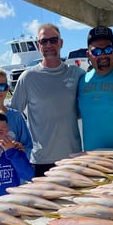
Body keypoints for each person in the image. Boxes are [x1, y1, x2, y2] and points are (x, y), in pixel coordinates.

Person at [10, 23, 85, 177]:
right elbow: (12, 112)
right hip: (41, 161)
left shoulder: (77, 73)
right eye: (44, 41)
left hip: (73, 158)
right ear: (39, 45)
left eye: (53, 40)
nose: (49, 44)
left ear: (61, 43)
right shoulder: (28, 77)